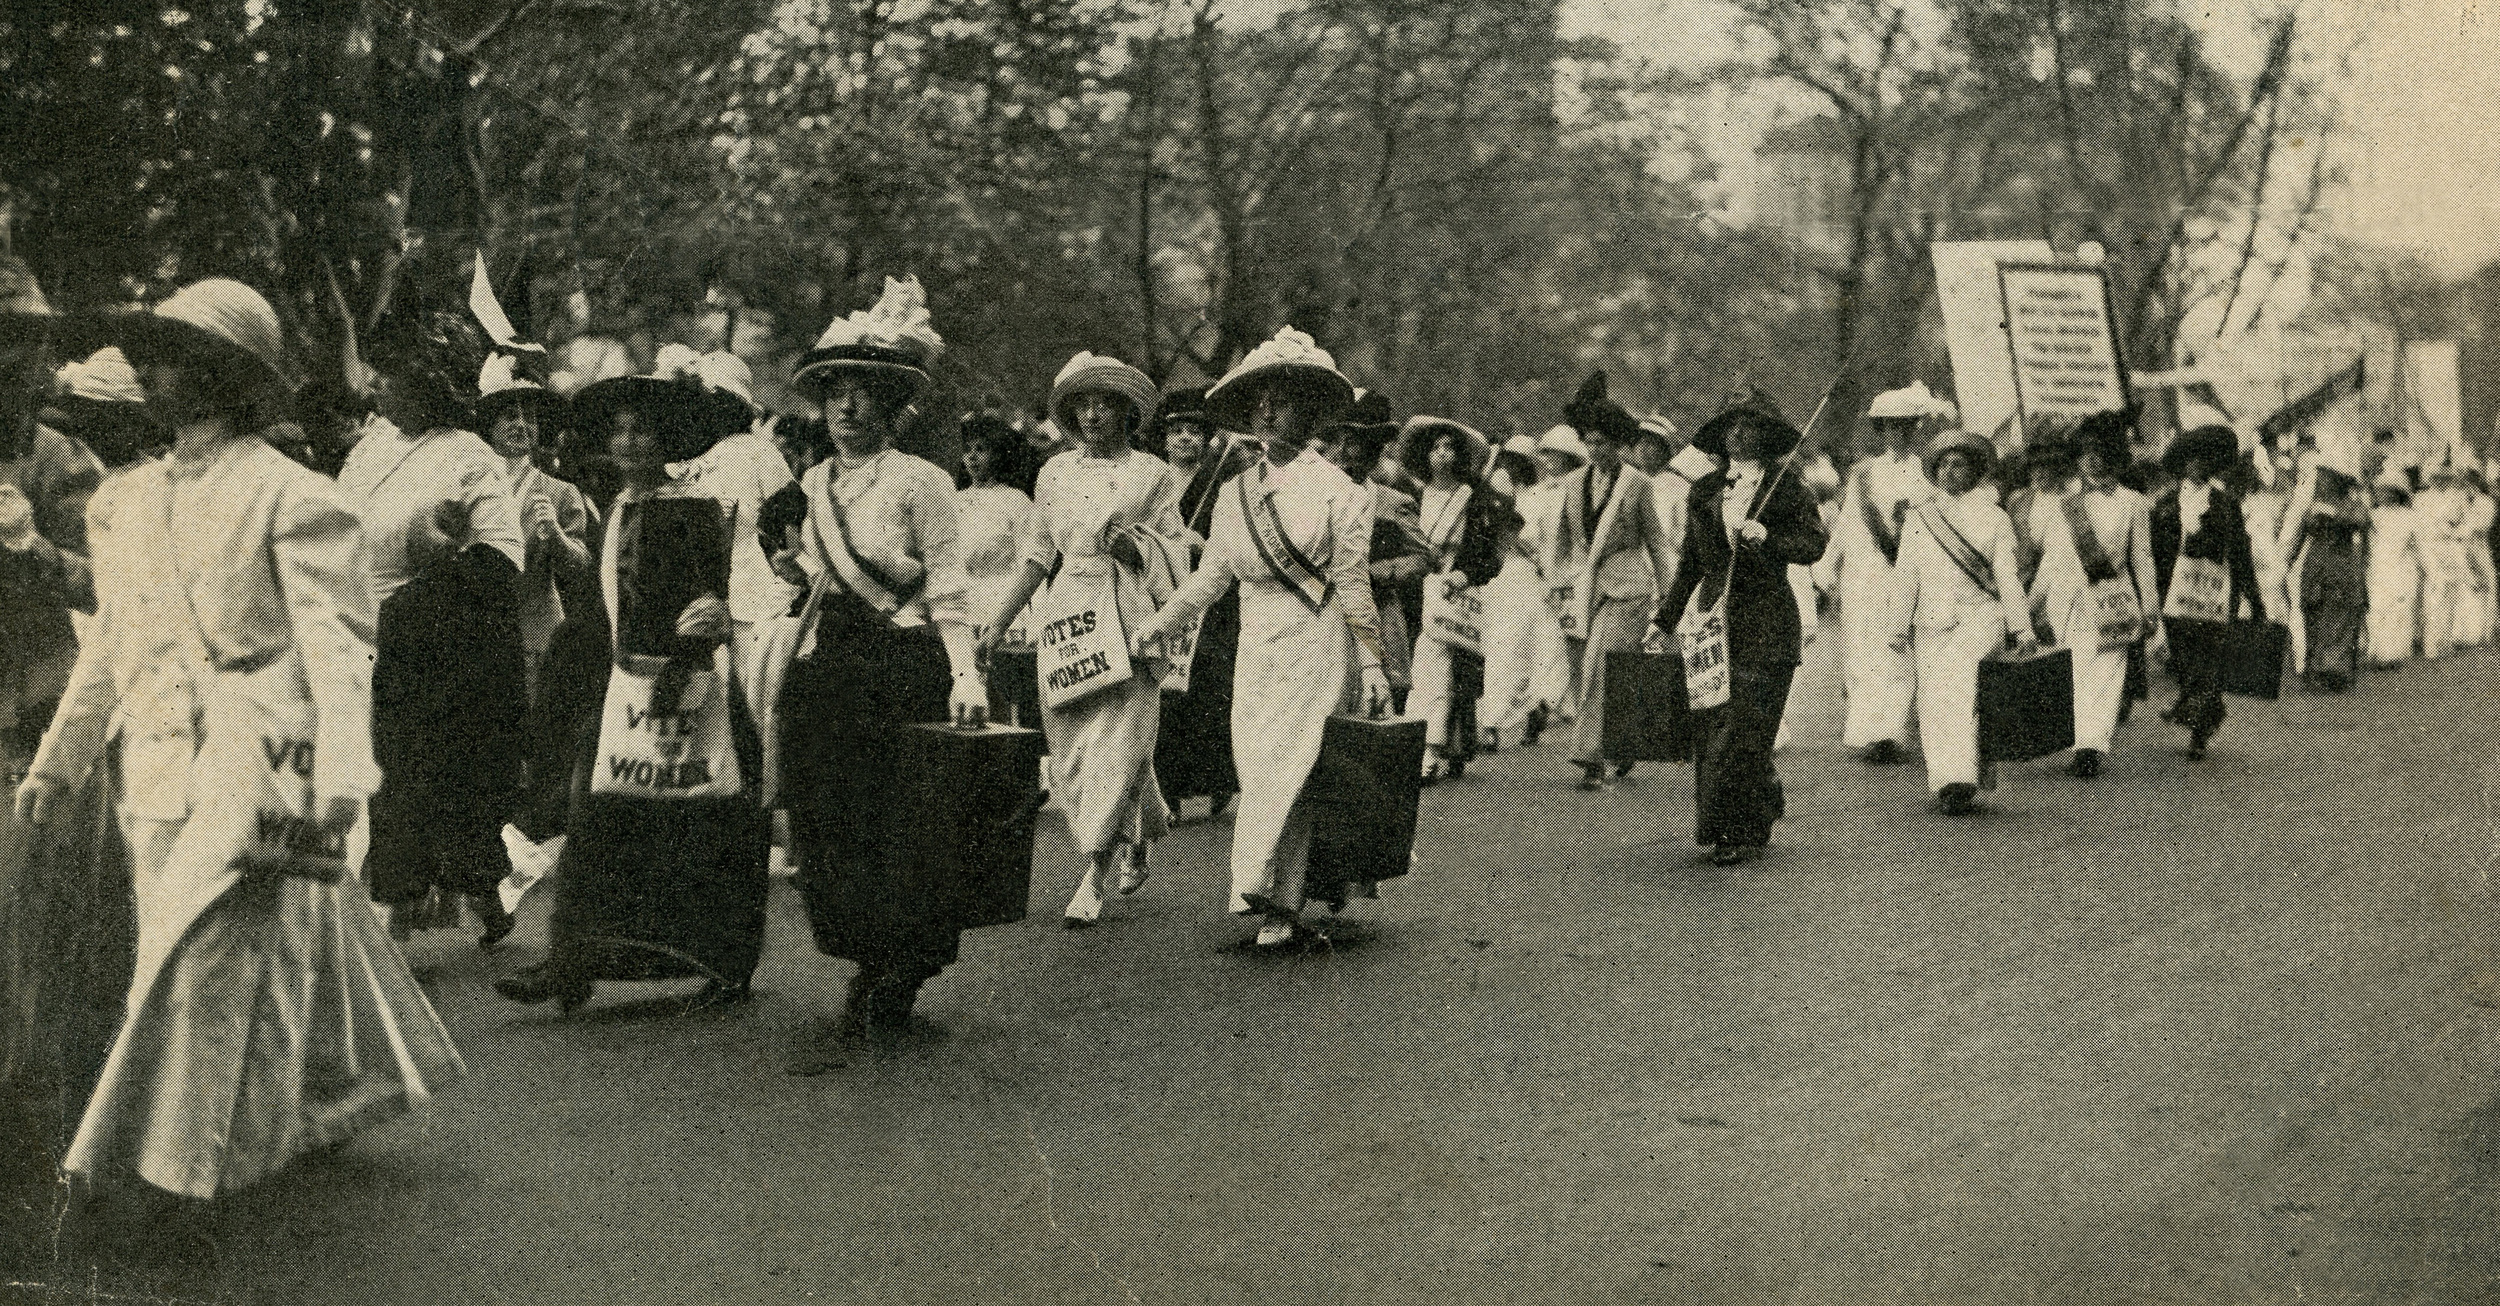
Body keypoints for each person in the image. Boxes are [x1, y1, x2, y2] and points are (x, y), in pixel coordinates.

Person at [17, 278, 460, 1230]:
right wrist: (60, 761)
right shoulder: (123, 502)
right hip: (158, 763)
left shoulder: (295, 497)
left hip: (270, 759)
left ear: (226, 374)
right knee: (190, 958)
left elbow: (339, 649)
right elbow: (111, 646)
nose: (150, 371)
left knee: (206, 961)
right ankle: (269, 1128)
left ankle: (177, 1177)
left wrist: (344, 773)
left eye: (173, 354)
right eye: (148, 354)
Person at [492, 347, 772, 1014]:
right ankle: (573, 960)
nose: (628, 442)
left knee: (709, 822)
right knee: (598, 819)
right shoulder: (617, 504)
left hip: (694, 686)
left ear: (670, 439)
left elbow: (731, 590)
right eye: (618, 430)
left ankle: (723, 960)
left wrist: (710, 629)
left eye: (642, 430)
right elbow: (609, 603)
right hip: (626, 686)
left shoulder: (700, 504)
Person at [774, 277, 990, 1070]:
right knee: (830, 818)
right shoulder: (813, 485)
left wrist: (965, 674)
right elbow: (816, 580)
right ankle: (865, 946)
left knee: (903, 823)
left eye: (864, 394)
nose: (847, 409)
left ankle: (903, 960)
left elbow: (948, 585)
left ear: (893, 405)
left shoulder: (923, 481)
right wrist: (792, 575)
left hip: (905, 665)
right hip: (833, 661)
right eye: (836, 393)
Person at [1127, 327, 1389, 946]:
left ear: (1309, 410)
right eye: (1259, 402)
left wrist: (1374, 664)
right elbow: (1212, 576)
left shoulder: (1343, 495)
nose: (1269, 413)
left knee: (1294, 769)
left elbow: (1354, 587)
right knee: (1257, 766)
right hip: (1256, 644)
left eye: (1283, 400)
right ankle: (1278, 891)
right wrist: (1160, 623)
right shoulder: (1235, 493)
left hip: (1317, 642)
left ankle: (1275, 898)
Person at [337, 312, 528, 946]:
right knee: (387, 772)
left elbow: (503, 562)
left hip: (436, 643)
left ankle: (404, 912)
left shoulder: (469, 456)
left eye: (392, 376)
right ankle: (465, 890)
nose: (379, 387)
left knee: (423, 773)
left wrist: (435, 556)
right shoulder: (371, 451)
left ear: (427, 382)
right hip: (359, 629)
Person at [976, 353, 1187, 928]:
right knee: (1070, 743)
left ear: (1126, 413)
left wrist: (1139, 548)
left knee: (1120, 738)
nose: (1095, 416)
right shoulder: (1054, 473)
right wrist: (1001, 616)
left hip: (1128, 608)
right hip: (1068, 613)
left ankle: (1091, 868)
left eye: (1107, 405)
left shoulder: (1153, 473)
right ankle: (1136, 830)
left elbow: (1178, 550)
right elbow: (1040, 553)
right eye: (1084, 405)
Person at [1654, 392, 1829, 865]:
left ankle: (1743, 819)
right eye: (1731, 427)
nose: (1739, 434)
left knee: (1751, 725)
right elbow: (1692, 561)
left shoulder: (1787, 487)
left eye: (1750, 427)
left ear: (1767, 436)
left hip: (1768, 619)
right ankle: (1734, 818)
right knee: (1717, 725)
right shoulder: (1705, 490)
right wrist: (1664, 619)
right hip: (1714, 620)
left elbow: (1814, 543)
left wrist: (1770, 538)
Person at [1885, 430, 2032, 814]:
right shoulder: (1920, 517)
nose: (1952, 471)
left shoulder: (1995, 516)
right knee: (1935, 701)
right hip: (1931, 621)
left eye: (1961, 464)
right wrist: (1898, 625)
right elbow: (1907, 575)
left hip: (1980, 617)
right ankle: (1947, 778)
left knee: (1965, 694)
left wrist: (2021, 626)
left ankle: (1961, 778)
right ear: (1935, 471)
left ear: (1974, 471)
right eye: (1945, 464)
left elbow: (2006, 574)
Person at [1553, 372, 1681, 790]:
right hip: (1582, 589)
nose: (1595, 449)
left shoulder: (1638, 483)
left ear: (1618, 443)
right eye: (1588, 441)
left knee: (1601, 666)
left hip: (1629, 588)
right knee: (1594, 672)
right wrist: (1557, 584)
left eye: (1603, 441)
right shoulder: (1572, 484)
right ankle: (1622, 747)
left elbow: (1658, 543)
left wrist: (1672, 599)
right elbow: (1564, 541)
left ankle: (1589, 757)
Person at [1818, 383, 1950, 765]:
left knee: (1902, 651)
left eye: (1906, 425)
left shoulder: (1932, 474)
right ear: (1880, 430)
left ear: (1918, 427)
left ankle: (1893, 729)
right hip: (1863, 575)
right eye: (1890, 425)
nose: (1899, 432)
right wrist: (1826, 573)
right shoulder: (1862, 475)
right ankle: (1871, 732)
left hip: (1909, 575)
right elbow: (1844, 527)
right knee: (1863, 653)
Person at [665, 352, 799, 723]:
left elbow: (789, 521)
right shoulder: (685, 460)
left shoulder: (757, 452)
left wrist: (787, 573)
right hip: (692, 593)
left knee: (748, 702)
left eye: (716, 401)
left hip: (749, 594)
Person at [2020, 412, 2156, 778]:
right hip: (2067, 599)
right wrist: (2028, 606)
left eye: (2099, 452)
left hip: (2112, 595)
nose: (2092, 460)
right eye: (2084, 453)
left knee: (2107, 672)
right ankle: (2080, 736)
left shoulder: (2133, 503)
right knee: (2077, 671)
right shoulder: (2063, 505)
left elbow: (2141, 557)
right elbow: (2052, 559)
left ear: (2113, 455)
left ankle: (2091, 746)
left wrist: (2150, 606)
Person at [1400, 415, 1513, 781]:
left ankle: (1431, 748)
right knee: (1428, 668)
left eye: (1450, 448)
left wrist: (1462, 576)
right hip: (1415, 587)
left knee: (1442, 668)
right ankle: (1433, 744)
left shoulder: (1474, 500)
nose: (1442, 455)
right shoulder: (1413, 495)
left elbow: (1487, 555)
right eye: (1435, 448)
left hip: (1457, 590)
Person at [1153, 385, 1249, 813]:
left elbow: (1234, 539)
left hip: (1212, 600)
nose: (1185, 439)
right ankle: (1168, 788)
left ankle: (1216, 782)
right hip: (1161, 589)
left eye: (1195, 431)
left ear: (1207, 438)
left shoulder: (1222, 481)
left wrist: (1204, 543)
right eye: (1177, 431)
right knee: (1165, 693)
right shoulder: (1152, 479)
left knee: (1210, 691)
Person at [475, 353, 593, 695]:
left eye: (530, 418)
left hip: (536, 638)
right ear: (490, 427)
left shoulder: (559, 493)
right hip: (481, 637)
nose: (522, 425)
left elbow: (582, 567)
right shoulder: (474, 485)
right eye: (511, 416)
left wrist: (556, 536)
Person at [2150, 425, 2267, 759]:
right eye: (2191, 460)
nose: (2197, 466)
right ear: (2183, 464)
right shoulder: (2167, 504)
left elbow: (2241, 553)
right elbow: (2156, 552)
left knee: (2210, 659)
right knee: (2184, 659)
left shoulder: (2225, 504)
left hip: (2215, 591)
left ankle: (2200, 726)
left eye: (2204, 460)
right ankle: (2193, 702)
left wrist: (2254, 599)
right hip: (2176, 593)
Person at [1322, 392, 1430, 715]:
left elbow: (1423, 556)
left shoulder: (1391, 503)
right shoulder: (1312, 495)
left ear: (1374, 449)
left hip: (1378, 611)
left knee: (1378, 703)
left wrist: (1380, 572)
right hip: (1320, 610)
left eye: (1352, 442)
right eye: (1336, 441)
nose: (1340, 453)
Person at [1474, 435, 1546, 752]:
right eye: (1508, 459)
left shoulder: (1537, 498)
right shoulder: (1491, 493)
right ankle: (1530, 705)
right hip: (1491, 577)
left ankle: (1492, 722)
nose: (1511, 466)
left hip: (1521, 577)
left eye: (1519, 462)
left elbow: (1536, 543)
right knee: (1490, 646)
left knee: (1512, 649)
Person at [2283, 444, 2371, 692]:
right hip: (2316, 565)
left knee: (2340, 617)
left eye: (2325, 475)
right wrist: (2286, 562)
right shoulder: (2310, 505)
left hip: (2342, 565)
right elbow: (2297, 536)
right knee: (2313, 613)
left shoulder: (2351, 503)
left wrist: (2331, 514)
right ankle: (2315, 671)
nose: (2319, 480)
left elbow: (2362, 522)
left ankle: (2335, 672)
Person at [955, 414, 1037, 653]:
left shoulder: (1015, 501)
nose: (972, 456)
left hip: (1003, 603)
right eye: (967, 449)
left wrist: (1038, 618)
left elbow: (1033, 561)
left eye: (981, 449)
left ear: (998, 455)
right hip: (963, 604)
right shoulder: (953, 501)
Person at [2364, 471, 2422, 668]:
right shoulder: (2374, 515)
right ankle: (2378, 651)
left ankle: (2393, 653)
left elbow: (2417, 545)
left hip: (2401, 566)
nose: (2382, 495)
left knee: (2398, 608)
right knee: (2377, 607)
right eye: (2379, 491)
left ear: (2397, 493)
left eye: (2387, 491)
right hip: (2377, 564)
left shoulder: (2410, 516)